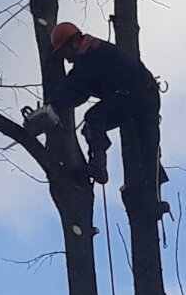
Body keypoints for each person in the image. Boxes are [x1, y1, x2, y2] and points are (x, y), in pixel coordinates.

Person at [48, 22, 168, 204]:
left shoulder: (90, 54)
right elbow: (80, 92)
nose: (66, 58)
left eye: (64, 52)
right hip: (145, 97)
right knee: (147, 152)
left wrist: (51, 105)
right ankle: (153, 202)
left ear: (73, 42)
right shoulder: (93, 53)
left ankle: (98, 166)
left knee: (94, 120)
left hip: (134, 97)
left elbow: (74, 85)